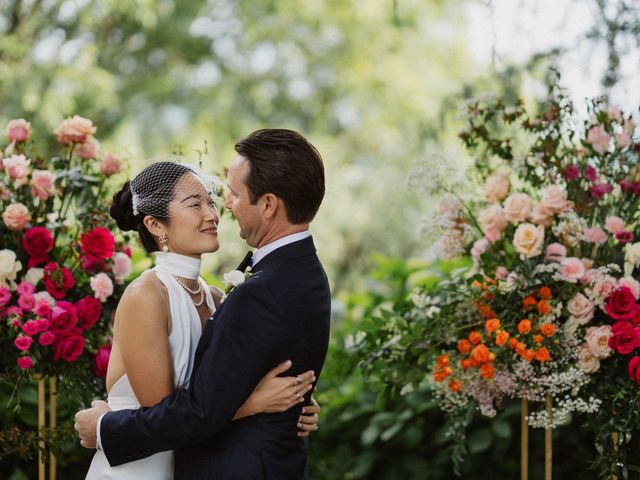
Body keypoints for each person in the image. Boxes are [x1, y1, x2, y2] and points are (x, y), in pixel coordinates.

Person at [76, 129, 331, 479]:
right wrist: (252, 405)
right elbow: (168, 412)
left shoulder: (214, 297)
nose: (215, 212)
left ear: (268, 204)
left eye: (210, 200)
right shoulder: (145, 295)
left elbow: (219, 386)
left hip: (186, 460)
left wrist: (293, 407)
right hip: (141, 467)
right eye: (195, 204)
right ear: (155, 224)